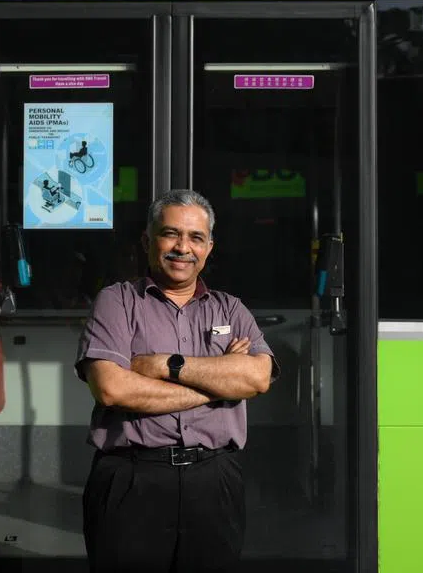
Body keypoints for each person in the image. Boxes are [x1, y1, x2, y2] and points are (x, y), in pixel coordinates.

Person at [74, 189, 278, 573]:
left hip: (214, 481)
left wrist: (168, 364)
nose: (183, 247)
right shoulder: (117, 301)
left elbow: (257, 378)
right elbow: (111, 388)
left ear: (209, 247)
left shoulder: (230, 308)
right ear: (148, 240)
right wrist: (217, 383)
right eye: (171, 234)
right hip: (131, 479)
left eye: (196, 237)